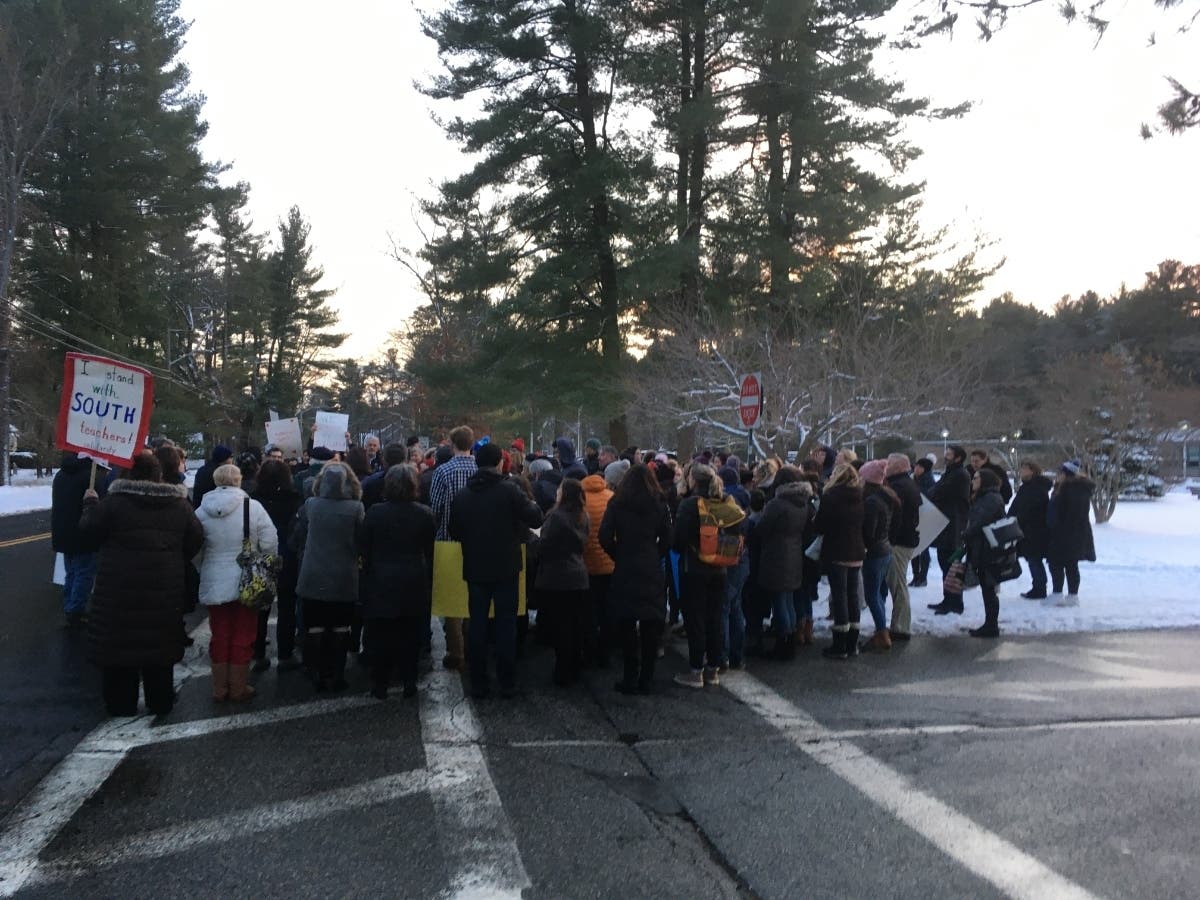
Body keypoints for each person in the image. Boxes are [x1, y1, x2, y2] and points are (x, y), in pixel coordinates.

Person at [79, 450, 203, 716]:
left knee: (119, 651)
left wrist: (89, 505)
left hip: (118, 590)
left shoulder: (113, 504)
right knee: (159, 648)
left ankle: (121, 704)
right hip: (163, 589)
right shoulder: (178, 505)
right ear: (158, 474)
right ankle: (161, 701)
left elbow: (88, 535)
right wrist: (172, 559)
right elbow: (195, 538)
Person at [449, 442, 544, 698]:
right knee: (505, 625)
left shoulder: (463, 496)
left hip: (476, 567)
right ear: (500, 463)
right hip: (506, 567)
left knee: (477, 625)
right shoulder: (510, 492)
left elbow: (454, 531)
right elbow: (536, 517)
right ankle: (507, 681)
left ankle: (478, 682)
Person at [194, 463, 278, 701]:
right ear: (239, 481)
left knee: (219, 633)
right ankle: (239, 686)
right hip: (246, 578)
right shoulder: (253, 508)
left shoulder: (200, 511)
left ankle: (219, 688)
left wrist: (203, 566)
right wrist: (264, 563)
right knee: (244, 633)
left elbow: (194, 546)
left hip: (213, 575)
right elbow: (270, 541)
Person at [359, 464, 435, 699]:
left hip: (381, 577)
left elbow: (364, 547)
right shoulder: (424, 513)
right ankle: (409, 681)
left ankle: (380, 683)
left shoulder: (374, 512)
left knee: (381, 633)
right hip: (413, 577)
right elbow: (429, 549)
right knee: (410, 633)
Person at [292, 462, 365, 691]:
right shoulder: (356, 508)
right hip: (344, 573)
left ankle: (317, 674)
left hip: (314, 571)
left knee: (315, 627)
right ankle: (338, 674)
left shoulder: (311, 504)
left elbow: (299, 535)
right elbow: (361, 541)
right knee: (341, 627)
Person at [671, 463, 746, 687]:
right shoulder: (726, 502)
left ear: (694, 481)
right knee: (715, 619)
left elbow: (678, 542)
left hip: (693, 569)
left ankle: (696, 670)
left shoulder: (689, 505)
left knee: (695, 620)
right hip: (721, 568)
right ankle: (713, 669)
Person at [599, 463, 672, 694]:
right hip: (650, 565)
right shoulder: (659, 504)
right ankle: (647, 678)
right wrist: (655, 553)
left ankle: (630, 676)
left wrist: (617, 553)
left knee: (627, 622)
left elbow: (604, 536)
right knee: (651, 624)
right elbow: (669, 538)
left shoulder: (617, 503)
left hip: (626, 566)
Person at [749, 467, 811, 661]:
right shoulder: (803, 503)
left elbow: (762, 528)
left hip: (776, 554)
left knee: (779, 601)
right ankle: (790, 639)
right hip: (794, 553)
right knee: (789, 600)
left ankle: (783, 642)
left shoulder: (778, 504)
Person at [429, 426, 478, 670]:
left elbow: (435, 507)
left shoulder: (443, 471)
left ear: (451, 443)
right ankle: (471, 645)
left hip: (447, 539)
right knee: (473, 594)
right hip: (477, 542)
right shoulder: (480, 469)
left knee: (451, 599)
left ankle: (456, 650)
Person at [535, 478, 591, 686]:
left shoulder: (555, 517)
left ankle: (562, 671)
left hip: (556, 577)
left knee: (561, 627)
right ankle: (575, 666)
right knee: (575, 625)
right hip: (578, 575)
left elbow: (544, 546)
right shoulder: (583, 517)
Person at [251, 459, 304, 670]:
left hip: (261, 555)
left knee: (261, 607)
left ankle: (258, 653)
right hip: (287, 554)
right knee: (287, 606)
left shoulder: (254, 500)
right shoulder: (294, 498)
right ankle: (285, 653)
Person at [815, 462, 866, 660]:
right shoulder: (860, 496)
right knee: (853, 596)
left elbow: (821, 525)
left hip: (837, 550)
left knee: (840, 596)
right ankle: (853, 642)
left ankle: (840, 643)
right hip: (856, 550)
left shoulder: (831, 497)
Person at [51, 452, 105, 627]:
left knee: (72, 573)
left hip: (64, 533)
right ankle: (76, 610)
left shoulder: (60, 474)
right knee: (83, 573)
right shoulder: (90, 477)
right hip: (84, 534)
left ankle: (70, 605)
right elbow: (100, 506)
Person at [963, 468, 1009, 637]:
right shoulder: (986, 497)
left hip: (988, 550)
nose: (972, 481)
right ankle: (990, 623)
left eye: (976, 478)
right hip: (983, 547)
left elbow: (980, 522)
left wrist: (966, 534)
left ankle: (991, 625)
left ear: (985, 481)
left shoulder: (990, 499)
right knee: (987, 588)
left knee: (988, 587)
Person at [859, 460, 899, 652]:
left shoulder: (872, 502)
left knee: (872, 595)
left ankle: (882, 633)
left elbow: (870, 532)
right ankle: (881, 629)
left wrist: (862, 544)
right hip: (885, 550)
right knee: (879, 593)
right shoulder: (886, 497)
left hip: (874, 553)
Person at [927, 445, 972, 616]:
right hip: (946, 525)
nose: (946, 456)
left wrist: (935, 493)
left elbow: (939, 492)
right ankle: (948, 599)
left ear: (958, 458)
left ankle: (955, 602)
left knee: (952, 566)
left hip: (954, 527)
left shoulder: (960, 475)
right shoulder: (950, 473)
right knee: (944, 563)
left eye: (949, 454)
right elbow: (934, 490)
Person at [1044, 460, 1096, 606]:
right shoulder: (1069, 488)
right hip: (1069, 532)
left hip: (1067, 533)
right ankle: (1069, 595)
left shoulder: (1072, 490)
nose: (1057, 475)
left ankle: (1060, 594)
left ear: (1066, 474)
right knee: (1068, 564)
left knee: (1059, 563)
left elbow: (1069, 513)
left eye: (1060, 473)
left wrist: (1056, 526)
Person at [883, 453, 921, 642]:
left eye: (889, 464)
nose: (886, 466)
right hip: (906, 540)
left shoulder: (898, 487)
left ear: (898, 467)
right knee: (898, 584)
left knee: (898, 585)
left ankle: (900, 627)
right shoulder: (908, 484)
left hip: (900, 542)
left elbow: (896, 518)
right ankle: (898, 624)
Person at [581, 466, 616, 667]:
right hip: (609, 563)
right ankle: (606, 652)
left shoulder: (580, 499)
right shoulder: (611, 497)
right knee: (607, 610)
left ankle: (590, 652)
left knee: (589, 611)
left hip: (586, 563)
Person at [1009, 461, 1053, 600]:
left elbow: (1031, 509)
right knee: (1032, 559)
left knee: (1034, 559)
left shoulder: (1037, 488)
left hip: (1034, 530)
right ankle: (1038, 587)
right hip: (1027, 529)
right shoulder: (1027, 487)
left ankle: (1039, 588)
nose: (1021, 471)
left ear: (1032, 471)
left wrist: (1019, 519)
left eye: (1024, 469)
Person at [909, 456, 936, 586]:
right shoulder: (915, 479)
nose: (916, 468)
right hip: (914, 517)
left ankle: (923, 577)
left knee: (923, 548)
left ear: (924, 469)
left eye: (919, 466)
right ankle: (916, 575)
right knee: (915, 549)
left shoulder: (928, 482)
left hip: (924, 517)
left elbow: (924, 497)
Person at [192, 445, 232, 509]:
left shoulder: (202, 469)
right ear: (224, 458)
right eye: (230, 457)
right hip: (211, 508)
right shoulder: (219, 473)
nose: (231, 459)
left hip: (198, 507)